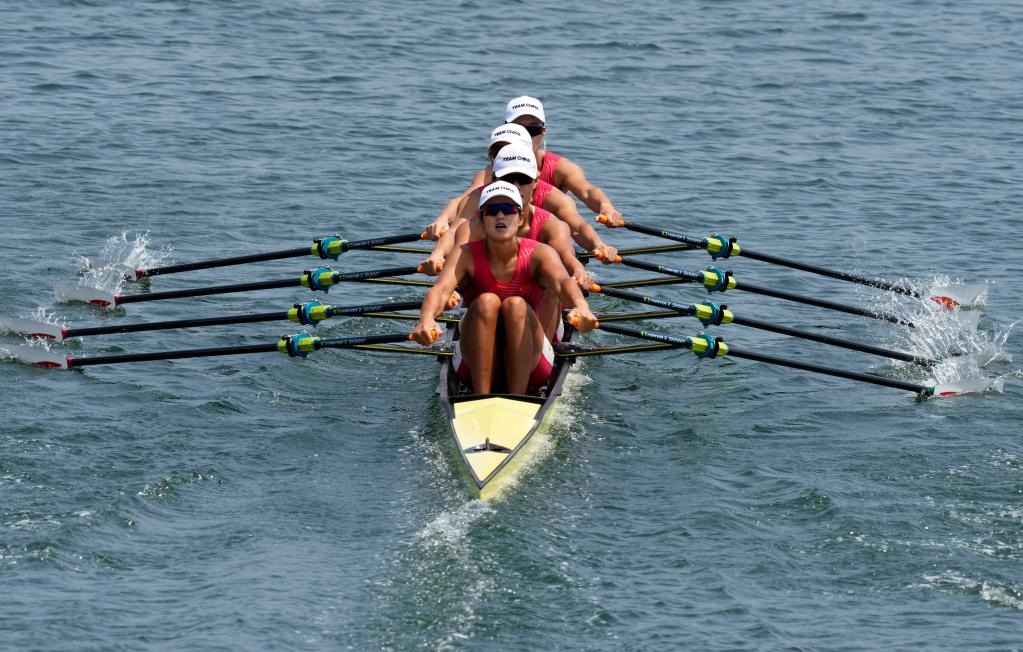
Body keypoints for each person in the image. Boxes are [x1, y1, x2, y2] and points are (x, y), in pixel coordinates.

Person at [412, 182, 597, 396]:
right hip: (473, 365)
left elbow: (563, 283)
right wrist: (426, 319)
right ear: (480, 220)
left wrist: (581, 306)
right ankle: (481, 398)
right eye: (492, 211)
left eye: (508, 210)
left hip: (532, 365)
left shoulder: (540, 253)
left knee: (516, 305)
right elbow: (441, 291)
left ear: (520, 218)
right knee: (486, 302)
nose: (500, 216)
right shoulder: (464, 255)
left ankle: (517, 397)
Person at [421, 143, 591, 341]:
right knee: (486, 300)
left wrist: (579, 280)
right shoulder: (473, 225)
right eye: (509, 179)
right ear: (493, 181)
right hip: (483, 314)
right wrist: (429, 313)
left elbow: (566, 258)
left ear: (536, 181)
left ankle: (543, 348)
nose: (516, 187)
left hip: (536, 327)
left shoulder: (551, 226)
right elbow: (451, 257)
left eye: (524, 180)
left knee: (547, 285)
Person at [504, 95, 626, 228]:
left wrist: (606, 206)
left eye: (533, 129)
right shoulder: (492, 172)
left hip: (552, 241)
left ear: (544, 131)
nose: (526, 136)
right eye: (519, 130)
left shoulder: (560, 169)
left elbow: (588, 191)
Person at [423, 123, 532, 240]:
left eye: (508, 151)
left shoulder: (548, 190)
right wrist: (443, 219)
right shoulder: (488, 174)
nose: (502, 156)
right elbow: (465, 200)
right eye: (496, 152)